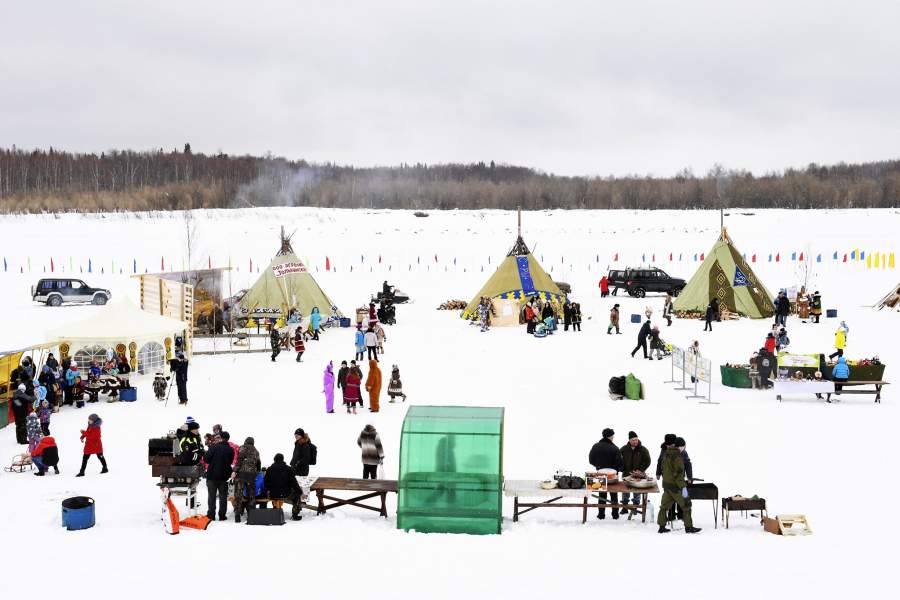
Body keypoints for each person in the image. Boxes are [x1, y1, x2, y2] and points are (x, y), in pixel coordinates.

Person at [657, 434, 701, 534]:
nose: (684, 448)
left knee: (664, 507)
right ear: (680, 446)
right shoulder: (677, 457)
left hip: (667, 487)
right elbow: (679, 475)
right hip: (677, 488)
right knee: (687, 505)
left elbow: (664, 469)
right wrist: (683, 488)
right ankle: (689, 527)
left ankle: (661, 527)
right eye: (684, 446)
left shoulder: (665, 453)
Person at [589, 428, 625, 519]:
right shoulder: (615, 448)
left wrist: (599, 467)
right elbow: (620, 463)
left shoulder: (595, 446)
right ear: (610, 436)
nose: (613, 437)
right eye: (612, 436)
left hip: (600, 473)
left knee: (601, 494)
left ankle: (601, 514)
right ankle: (615, 514)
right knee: (613, 494)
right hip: (612, 476)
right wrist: (616, 469)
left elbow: (591, 460)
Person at [204, 431, 235, 522]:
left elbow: (206, 459)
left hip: (212, 475)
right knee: (223, 497)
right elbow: (230, 462)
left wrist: (213, 461)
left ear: (220, 438)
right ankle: (222, 515)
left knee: (211, 496)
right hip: (224, 476)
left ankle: (211, 515)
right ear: (228, 439)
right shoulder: (230, 450)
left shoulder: (213, 447)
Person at [620, 431, 652, 516]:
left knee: (637, 492)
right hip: (626, 474)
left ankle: (635, 507)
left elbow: (648, 461)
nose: (635, 441)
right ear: (629, 440)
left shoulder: (643, 449)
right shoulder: (624, 449)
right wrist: (622, 468)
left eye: (636, 439)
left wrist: (640, 470)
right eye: (633, 440)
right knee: (625, 491)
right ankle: (625, 507)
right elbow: (619, 460)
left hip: (638, 475)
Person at [264, 453, 303, 521]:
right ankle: (295, 514)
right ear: (282, 459)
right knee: (297, 495)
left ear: (274, 460)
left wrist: (269, 490)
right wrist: (299, 491)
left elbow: (265, 483)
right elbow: (294, 482)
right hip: (286, 493)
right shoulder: (288, 469)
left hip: (273, 494)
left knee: (272, 493)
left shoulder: (269, 469)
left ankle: (275, 508)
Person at [232, 437, 261, 523]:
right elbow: (258, 464)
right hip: (251, 476)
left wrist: (235, 471)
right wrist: (256, 472)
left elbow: (239, 460)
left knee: (238, 495)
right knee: (251, 495)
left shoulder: (243, 447)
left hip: (241, 475)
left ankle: (237, 515)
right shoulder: (256, 451)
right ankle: (251, 515)